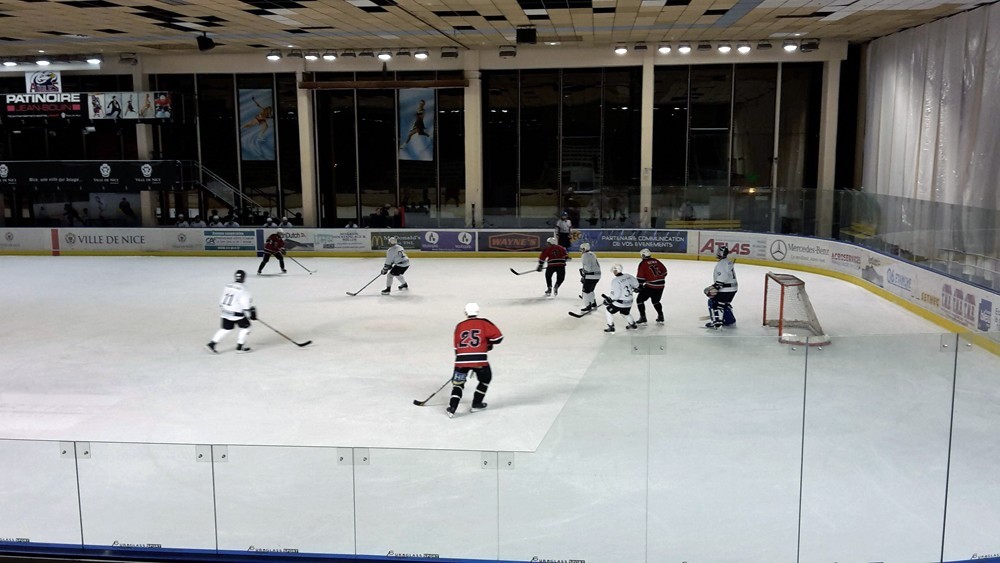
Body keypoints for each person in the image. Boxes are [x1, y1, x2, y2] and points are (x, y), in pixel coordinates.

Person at [447, 303, 503, 418]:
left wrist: (461, 363)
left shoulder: (459, 325)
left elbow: (456, 347)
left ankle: (452, 408)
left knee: (458, 384)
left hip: (461, 360)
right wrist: (487, 343)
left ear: (465, 312)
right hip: (479, 360)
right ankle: (476, 403)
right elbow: (498, 338)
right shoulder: (484, 322)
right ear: (477, 311)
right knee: (485, 379)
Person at [206, 270, 256, 354]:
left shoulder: (228, 285)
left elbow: (222, 298)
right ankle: (240, 347)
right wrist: (251, 312)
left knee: (225, 329)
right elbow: (245, 305)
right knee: (246, 327)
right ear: (244, 278)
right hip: (236, 313)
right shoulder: (244, 289)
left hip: (225, 311)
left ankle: (212, 344)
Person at [706, 246, 738, 329]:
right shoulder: (728, 262)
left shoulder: (722, 264)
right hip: (733, 288)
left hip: (726, 289)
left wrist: (717, 286)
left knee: (714, 302)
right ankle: (730, 321)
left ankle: (717, 323)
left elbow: (723, 275)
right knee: (724, 303)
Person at [603, 263, 640, 333]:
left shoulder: (615, 281)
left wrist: (609, 300)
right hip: (629, 301)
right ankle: (632, 324)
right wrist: (636, 288)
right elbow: (637, 285)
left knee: (608, 311)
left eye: (614, 270)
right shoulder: (628, 276)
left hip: (620, 302)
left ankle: (611, 327)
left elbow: (616, 295)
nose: (613, 272)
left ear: (616, 270)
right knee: (625, 313)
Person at [635, 248, 667, 324]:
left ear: (643, 255)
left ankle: (643, 317)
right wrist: (659, 278)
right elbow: (665, 272)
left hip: (651, 286)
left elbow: (640, 278)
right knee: (656, 301)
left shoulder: (643, 263)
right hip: (661, 285)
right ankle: (661, 316)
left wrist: (639, 286)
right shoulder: (656, 261)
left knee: (639, 300)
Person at [577, 242, 601, 314]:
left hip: (590, 276)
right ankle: (593, 303)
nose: (581, 250)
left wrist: (584, 274)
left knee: (585, 291)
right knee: (591, 290)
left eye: (582, 249)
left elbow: (588, 268)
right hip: (597, 275)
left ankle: (588, 305)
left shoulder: (585, 255)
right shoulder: (592, 254)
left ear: (584, 249)